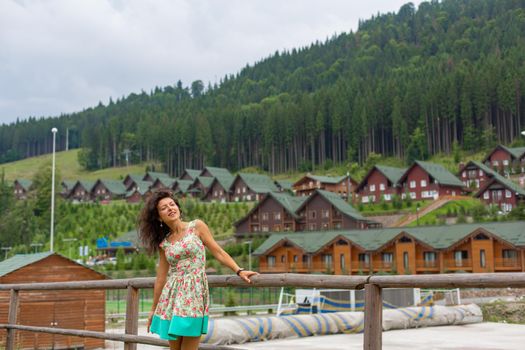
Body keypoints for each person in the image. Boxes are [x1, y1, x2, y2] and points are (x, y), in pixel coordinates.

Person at [138, 189, 257, 350]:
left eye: (172, 204)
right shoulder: (164, 243)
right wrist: (153, 309)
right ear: (159, 217)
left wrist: (239, 270)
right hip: (172, 295)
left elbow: (218, 252)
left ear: (179, 208)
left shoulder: (196, 227)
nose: (170, 208)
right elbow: (161, 278)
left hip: (194, 293)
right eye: (164, 208)